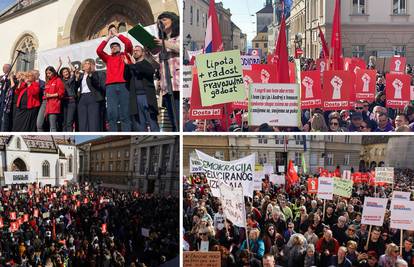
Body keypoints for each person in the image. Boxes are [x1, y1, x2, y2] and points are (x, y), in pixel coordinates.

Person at [96, 24, 132, 132]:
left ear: (120, 48)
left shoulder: (125, 55)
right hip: (110, 87)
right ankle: (113, 132)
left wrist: (117, 35)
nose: (114, 47)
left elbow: (128, 43)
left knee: (125, 113)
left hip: (123, 85)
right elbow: (99, 51)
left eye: (116, 46)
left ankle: (126, 133)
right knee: (112, 114)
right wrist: (108, 38)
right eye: (112, 47)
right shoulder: (108, 58)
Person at [152, 12, 180, 132]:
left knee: (178, 118)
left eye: (163, 19)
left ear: (173, 21)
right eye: (159, 21)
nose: (161, 23)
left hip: (177, 84)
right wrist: (149, 52)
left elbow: (179, 48)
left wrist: (164, 43)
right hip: (166, 86)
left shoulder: (178, 37)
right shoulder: (163, 42)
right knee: (173, 121)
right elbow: (157, 62)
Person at [124, 46, 160, 132]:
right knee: (140, 125)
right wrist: (126, 66)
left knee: (152, 123)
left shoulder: (146, 63)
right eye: (134, 51)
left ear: (143, 53)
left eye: (137, 50)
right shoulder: (132, 65)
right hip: (135, 98)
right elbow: (125, 77)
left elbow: (148, 71)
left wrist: (133, 64)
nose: (135, 52)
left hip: (146, 97)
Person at [75, 59, 104, 132]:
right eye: (85, 64)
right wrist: (77, 79)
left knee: (93, 120)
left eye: (88, 63)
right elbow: (75, 87)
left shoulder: (95, 74)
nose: (86, 65)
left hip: (92, 97)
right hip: (82, 98)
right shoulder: (81, 76)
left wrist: (90, 75)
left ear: (91, 65)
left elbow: (97, 84)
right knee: (83, 120)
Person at [44, 66, 65, 132]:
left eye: (49, 73)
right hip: (47, 104)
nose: (48, 75)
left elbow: (61, 93)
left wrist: (50, 95)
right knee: (46, 124)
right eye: (47, 73)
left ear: (53, 72)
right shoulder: (48, 81)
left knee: (53, 125)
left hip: (54, 105)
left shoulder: (58, 80)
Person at [59, 57, 77, 132]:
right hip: (63, 102)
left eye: (66, 71)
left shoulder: (72, 79)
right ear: (62, 74)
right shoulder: (60, 81)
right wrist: (60, 65)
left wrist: (70, 64)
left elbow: (75, 71)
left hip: (72, 102)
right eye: (64, 72)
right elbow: (54, 74)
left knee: (69, 122)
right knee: (64, 122)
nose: (66, 73)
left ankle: (70, 135)